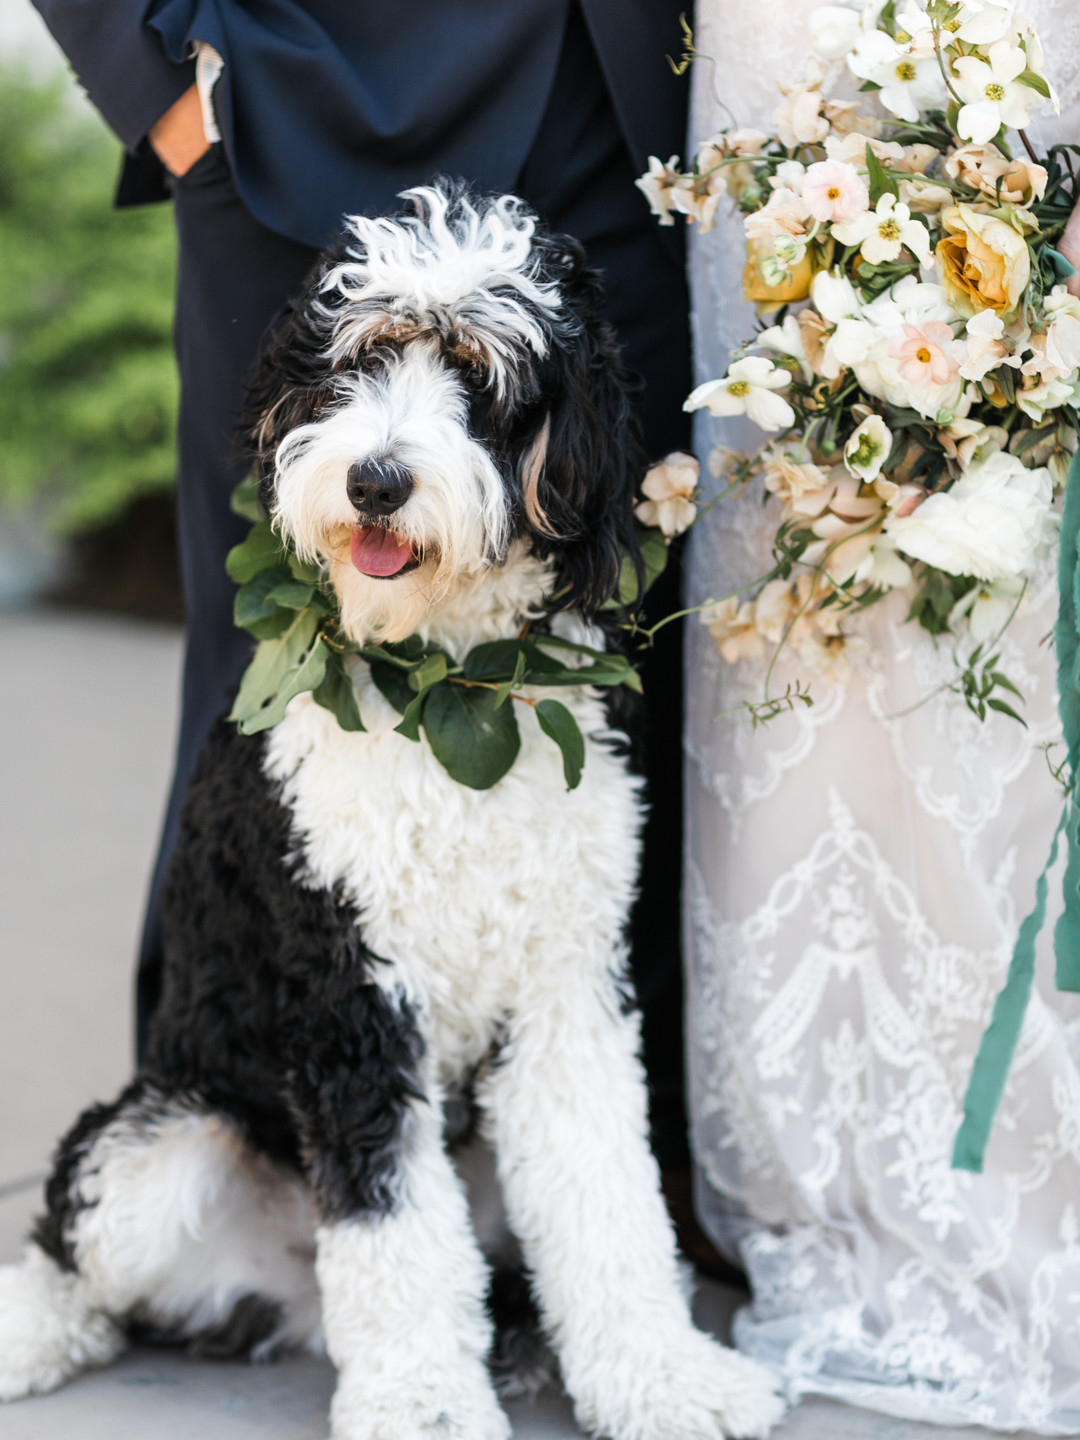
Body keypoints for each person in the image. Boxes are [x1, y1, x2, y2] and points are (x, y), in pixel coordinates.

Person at [30, 0, 695, 1183]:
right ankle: (254, 1166)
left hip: (638, 118)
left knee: (628, 672)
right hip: (302, 112)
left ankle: (611, 1200)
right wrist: (164, 96)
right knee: (272, 701)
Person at [683, 0, 1080, 1427]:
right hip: (772, 52)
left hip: (1017, 43)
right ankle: (811, 1161)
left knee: (996, 621)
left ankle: (1001, 1148)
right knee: (785, 590)